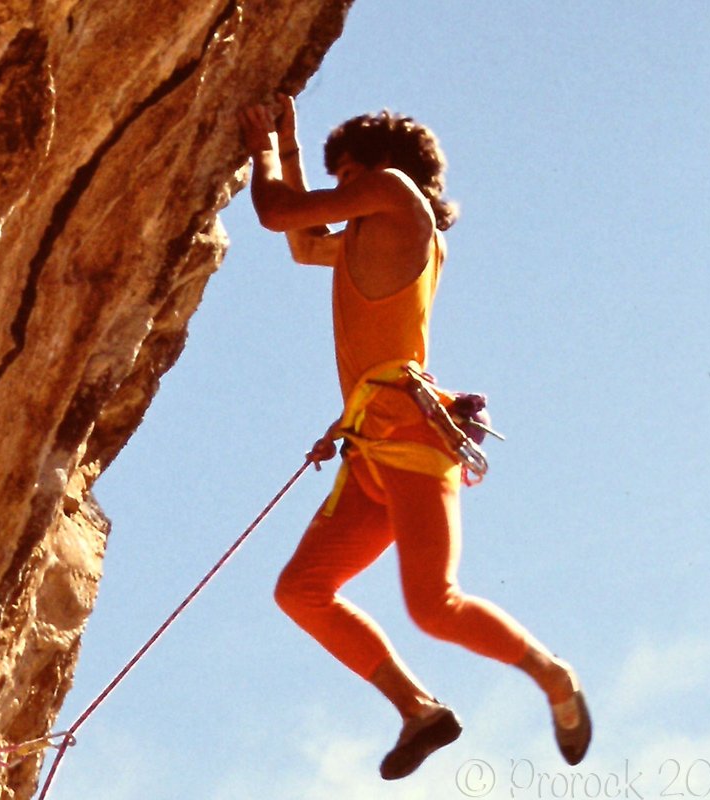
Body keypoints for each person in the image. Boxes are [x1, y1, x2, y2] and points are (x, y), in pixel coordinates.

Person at [237, 95, 591, 780]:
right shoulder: (371, 231)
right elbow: (303, 242)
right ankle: (419, 711)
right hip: (371, 443)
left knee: (433, 603)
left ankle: (553, 676)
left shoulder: (398, 200)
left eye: (346, 177)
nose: (338, 193)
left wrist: (263, 147)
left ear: (380, 169)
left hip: (411, 440)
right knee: (301, 590)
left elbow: (277, 210)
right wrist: (286, 137)